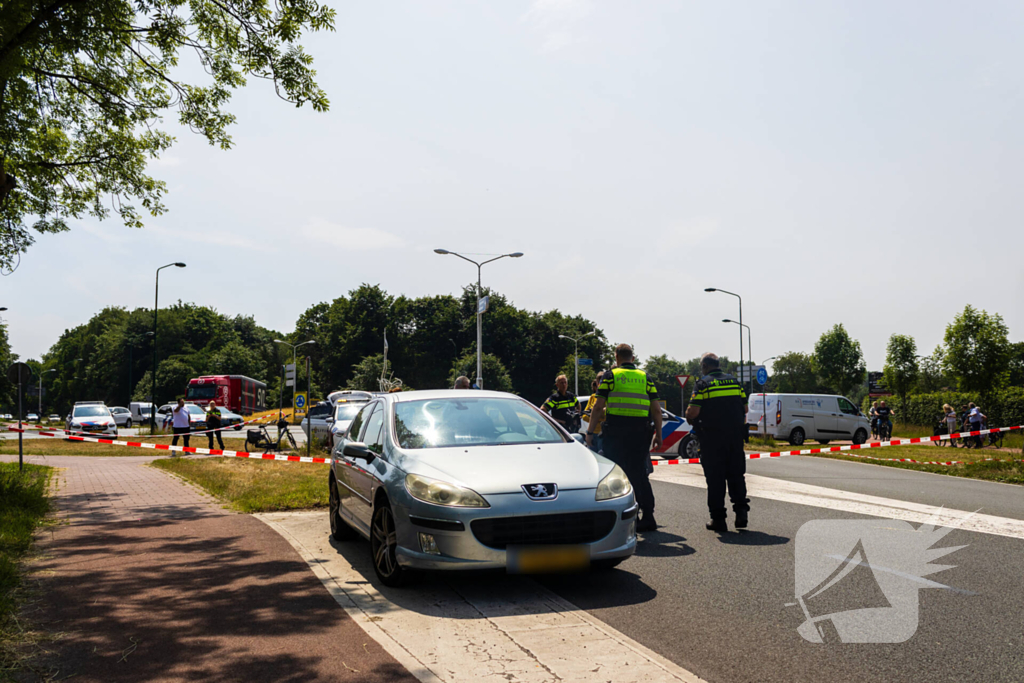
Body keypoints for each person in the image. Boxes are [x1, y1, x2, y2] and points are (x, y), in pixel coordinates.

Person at [586, 345, 662, 532]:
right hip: (640, 433)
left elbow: (597, 407)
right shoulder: (645, 377)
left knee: (616, 473)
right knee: (639, 473)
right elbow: (656, 410)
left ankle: (621, 517)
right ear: (633, 357)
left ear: (616, 356)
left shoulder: (610, 376)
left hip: (617, 432)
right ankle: (648, 515)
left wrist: (589, 432)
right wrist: (659, 434)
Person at [685, 353, 749, 532]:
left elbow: (693, 412)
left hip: (712, 439)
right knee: (736, 475)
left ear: (705, 366)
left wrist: (688, 413)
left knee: (715, 479)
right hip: (735, 438)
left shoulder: (703, 384)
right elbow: (745, 408)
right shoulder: (735, 382)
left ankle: (718, 519)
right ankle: (741, 512)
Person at [581, 372, 605, 453]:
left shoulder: (609, 397)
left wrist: (594, 416)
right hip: (592, 433)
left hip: (603, 434)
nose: (600, 384)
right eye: (599, 382)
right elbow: (584, 416)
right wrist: (597, 417)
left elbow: (607, 416)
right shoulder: (593, 397)